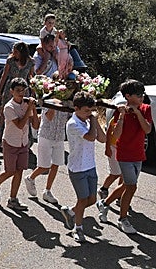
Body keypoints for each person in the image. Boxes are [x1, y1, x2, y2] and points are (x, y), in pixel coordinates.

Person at [96, 79, 152, 234]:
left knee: (126, 186)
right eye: (138, 95)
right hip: (124, 154)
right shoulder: (119, 111)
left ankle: (105, 203)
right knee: (132, 186)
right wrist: (121, 116)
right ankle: (123, 219)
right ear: (128, 96)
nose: (141, 97)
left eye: (142, 94)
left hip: (138, 154)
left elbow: (147, 129)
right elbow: (116, 134)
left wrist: (138, 112)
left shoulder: (146, 108)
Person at [59, 92, 106, 243]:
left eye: (90, 111)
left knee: (91, 199)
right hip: (78, 168)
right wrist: (92, 120)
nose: (88, 114)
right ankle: (77, 228)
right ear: (76, 108)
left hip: (90, 166)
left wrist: (94, 119)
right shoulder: (73, 124)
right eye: (86, 111)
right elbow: (91, 137)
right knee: (82, 199)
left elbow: (103, 139)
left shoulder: (88, 121)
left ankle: (71, 212)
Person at [0, 78, 39, 210]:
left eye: (23, 90)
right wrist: (29, 110)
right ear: (11, 91)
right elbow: (20, 125)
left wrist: (33, 110)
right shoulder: (9, 107)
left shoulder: (27, 104)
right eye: (18, 91)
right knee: (10, 171)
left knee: (19, 171)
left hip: (23, 143)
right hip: (11, 142)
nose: (21, 93)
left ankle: (13, 199)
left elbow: (35, 125)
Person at [24, 105, 70, 204]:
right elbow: (49, 117)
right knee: (44, 166)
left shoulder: (66, 102)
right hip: (46, 135)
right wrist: (54, 104)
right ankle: (30, 178)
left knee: (56, 164)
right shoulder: (49, 102)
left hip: (59, 136)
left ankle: (47, 191)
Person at [0, 42, 35, 143]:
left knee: (23, 113)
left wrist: (33, 91)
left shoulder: (30, 62)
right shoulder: (10, 60)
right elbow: (4, 75)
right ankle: (0, 139)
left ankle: (25, 140)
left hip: (24, 90)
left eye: (16, 51)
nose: (13, 53)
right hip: (10, 89)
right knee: (4, 113)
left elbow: (31, 77)